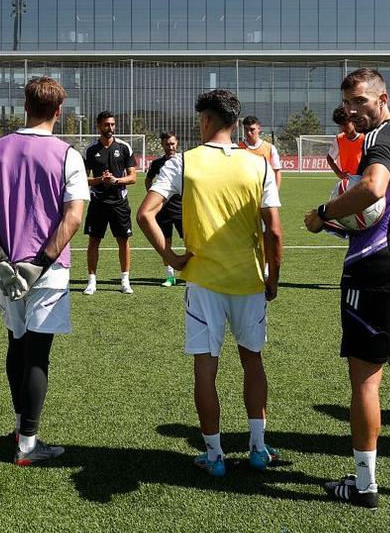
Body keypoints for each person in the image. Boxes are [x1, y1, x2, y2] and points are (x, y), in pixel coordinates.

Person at [304, 68, 390, 508]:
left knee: (365, 381)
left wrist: (323, 211)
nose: (352, 109)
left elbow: (372, 188)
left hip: (371, 276)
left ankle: (364, 485)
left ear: (383, 99)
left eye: (361, 101)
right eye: (348, 102)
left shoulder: (381, 142)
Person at [138, 89, 283, 477]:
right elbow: (274, 231)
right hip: (250, 280)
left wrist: (170, 257)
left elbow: (146, 214)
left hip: (203, 282)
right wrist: (274, 277)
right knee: (252, 361)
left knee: (206, 367)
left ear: (205, 121)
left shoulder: (183, 163)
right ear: (235, 123)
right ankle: (257, 449)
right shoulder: (259, 164)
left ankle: (215, 457)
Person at [0, 76, 88, 465]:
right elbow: (74, 216)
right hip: (47, 271)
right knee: (37, 355)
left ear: (24, 106)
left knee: (16, 346)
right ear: (58, 112)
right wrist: (41, 262)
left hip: (6, 269)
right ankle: (28, 443)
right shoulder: (68, 154)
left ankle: (21, 427)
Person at [83, 111, 136, 295]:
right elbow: (83, 179)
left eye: (112, 124)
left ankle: (125, 280)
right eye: (107, 125)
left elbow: (133, 177)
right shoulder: (90, 150)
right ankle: (92, 281)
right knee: (94, 241)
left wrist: (115, 180)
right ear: (99, 126)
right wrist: (100, 180)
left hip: (119, 202)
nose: (110, 128)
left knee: (123, 241)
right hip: (98, 202)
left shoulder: (124, 147)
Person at [145, 131, 183, 287]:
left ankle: (191, 273)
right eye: (167, 144)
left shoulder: (184, 162)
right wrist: (153, 196)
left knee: (191, 241)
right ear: (162, 145)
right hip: (163, 211)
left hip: (182, 209)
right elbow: (148, 180)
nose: (170, 147)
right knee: (165, 242)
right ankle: (170, 276)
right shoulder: (157, 163)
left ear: (177, 143)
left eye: (173, 143)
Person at [238, 116, 283, 188]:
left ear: (259, 129)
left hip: (264, 190)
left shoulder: (270, 148)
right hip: (244, 191)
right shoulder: (238, 149)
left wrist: (275, 193)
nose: (249, 133)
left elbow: (276, 171)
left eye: (252, 129)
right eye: (246, 129)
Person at [326, 106, 364, 179]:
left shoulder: (365, 137)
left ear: (353, 121)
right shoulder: (339, 139)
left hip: (363, 179)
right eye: (340, 125)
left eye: (345, 124)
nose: (342, 128)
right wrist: (339, 174)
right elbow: (329, 158)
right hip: (348, 180)